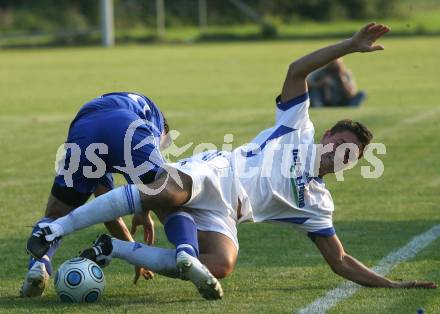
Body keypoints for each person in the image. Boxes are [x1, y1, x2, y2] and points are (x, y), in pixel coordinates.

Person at [27, 23, 437, 301]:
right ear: (329, 135)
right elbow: (297, 70)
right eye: (341, 144)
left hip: (227, 212)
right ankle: (54, 228)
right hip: (217, 172)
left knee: (220, 264)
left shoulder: (319, 204)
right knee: (167, 191)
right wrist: (349, 45)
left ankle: (111, 248)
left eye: (350, 156)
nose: (341, 155)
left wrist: (392, 283)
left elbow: (341, 261)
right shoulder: (299, 127)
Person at [21, 92, 171, 297]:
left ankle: (40, 263)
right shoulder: (155, 119)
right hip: (125, 126)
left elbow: (105, 206)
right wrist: (145, 212)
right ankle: (196, 255)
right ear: (165, 131)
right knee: (170, 195)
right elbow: (153, 189)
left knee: (55, 214)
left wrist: (135, 252)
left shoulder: (119, 103)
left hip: (85, 130)